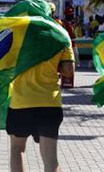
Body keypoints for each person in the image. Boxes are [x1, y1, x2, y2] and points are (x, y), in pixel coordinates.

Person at [7, 41, 75, 172]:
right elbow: (69, 71)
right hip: (49, 102)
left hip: (21, 102)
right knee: (50, 158)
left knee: (18, 149)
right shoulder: (59, 35)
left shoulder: (16, 32)